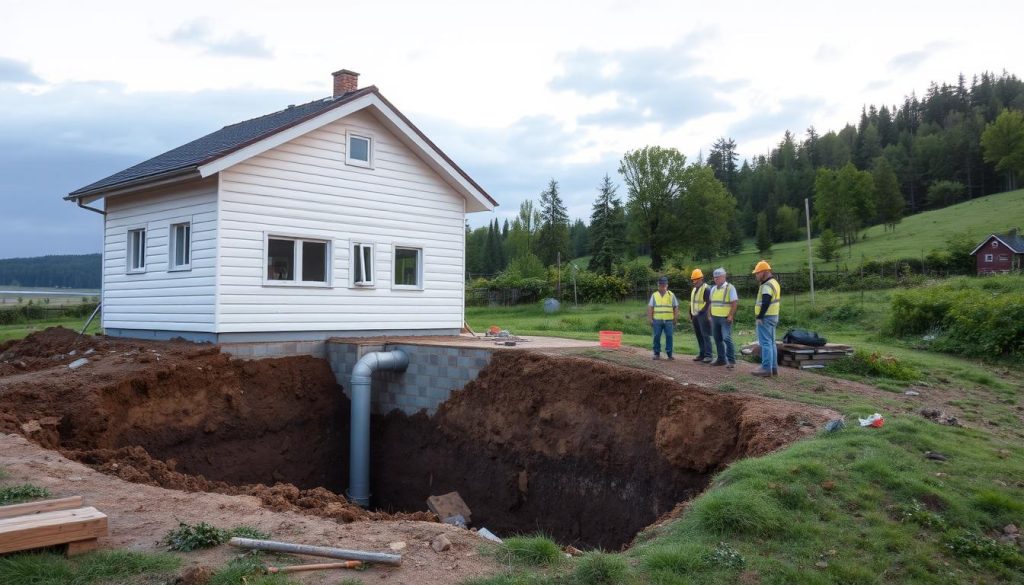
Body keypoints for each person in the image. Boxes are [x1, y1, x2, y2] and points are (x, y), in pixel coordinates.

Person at [751, 260, 781, 377]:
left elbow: (766, 301)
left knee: (765, 343)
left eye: (758, 273)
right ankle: (773, 368)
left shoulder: (766, 285)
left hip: (766, 317)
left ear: (764, 272)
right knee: (771, 343)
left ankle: (766, 368)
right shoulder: (775, 283)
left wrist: (760, 316)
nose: (756, 275)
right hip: (773, 316)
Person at [708, 268, 738, 368]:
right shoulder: (713, 289)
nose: (716, 279)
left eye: (718, 277)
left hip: (725, 318)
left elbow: (734, 303)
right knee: (717, 339)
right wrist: (709, 315)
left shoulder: (730, 288)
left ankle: (731, 360)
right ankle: (721, 359)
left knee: (726, 338)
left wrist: (730, 315)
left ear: (723, 277)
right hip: (715, 318)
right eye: (714, 277)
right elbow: (711, 303)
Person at [647, 276, 679, 360]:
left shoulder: (671, 295)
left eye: (664, 284)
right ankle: (656, 353)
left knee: (669, 336)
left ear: (667, 285)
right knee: (656, 336)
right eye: (661, 284)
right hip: (657, 320)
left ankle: (669, 354)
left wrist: (675, 318)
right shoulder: (654, 295)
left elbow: (675, 307)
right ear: (658, 285)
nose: (663, 286)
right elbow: (650, 307)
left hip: (669, 321)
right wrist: (650, 319)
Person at [688, 268, 712, 363]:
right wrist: (690, 314)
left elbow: (708, 303)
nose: (694, 281)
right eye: (693, 279)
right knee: (699, 335)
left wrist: (702, 312)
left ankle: (708, 355)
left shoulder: (706, 289)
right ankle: (702, 354)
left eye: (696, 279)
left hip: (703, 315)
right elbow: (692, 303)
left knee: (705, 335)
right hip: (695, 316)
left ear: (701, 278)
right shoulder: (694, 290)